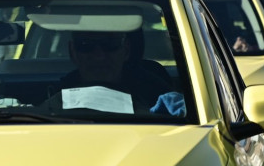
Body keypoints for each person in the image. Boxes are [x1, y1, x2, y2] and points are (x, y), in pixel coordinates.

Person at [52, 30, 184, 116]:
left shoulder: (156, 93)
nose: (99, 56)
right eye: (85, 45)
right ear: (72, 52)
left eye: (110, 44)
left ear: (126, 49)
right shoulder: (54, 99)